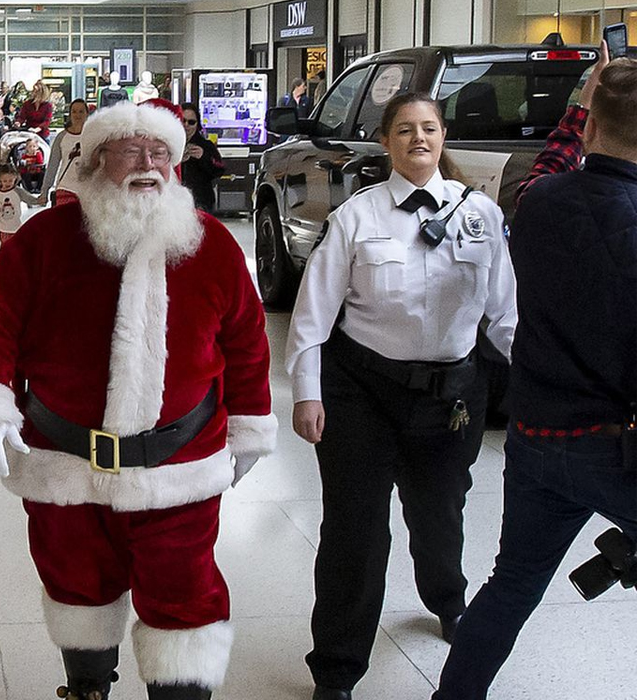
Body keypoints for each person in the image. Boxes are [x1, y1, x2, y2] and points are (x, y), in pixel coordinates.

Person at [0, 101, 276, 700]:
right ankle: (87, 685)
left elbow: (248, 344)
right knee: (77, 584)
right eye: (131, 149)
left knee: (184, 593)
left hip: (179, 466)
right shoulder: (45, 239)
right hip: (64, 462)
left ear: (176, 164)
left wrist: (251, 425)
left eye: (160, 153)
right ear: (99, 158)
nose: (146, 164)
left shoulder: (214, 247)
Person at [283, 92, 517, 700]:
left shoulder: (481, 217)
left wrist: (551, 382)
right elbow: (312, 317)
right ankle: (336, 670)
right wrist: (307, 392)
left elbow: (504, 318)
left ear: (444, 139)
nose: (419, 139)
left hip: (451, 395)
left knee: (440, 514)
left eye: (430, 128)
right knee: (354, 533)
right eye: (406, 130)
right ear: (386, 142)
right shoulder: (357, 217)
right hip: (362, 389)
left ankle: (448, 599)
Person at [433, 51, 637, 700]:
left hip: (537, 439)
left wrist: (584, 95)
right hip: (618, 448)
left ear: (591, 129)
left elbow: (550, 163)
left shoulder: (540, 202)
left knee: (512, 583)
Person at [39, 98, 90, 207]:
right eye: (74, 111)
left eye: (81, 111)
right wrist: (45, 190)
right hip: (65, 187)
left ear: (87, 113)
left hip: (88, 190)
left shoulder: (93, 136)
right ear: (70, 114)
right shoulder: (62, 137)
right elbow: (53, 165)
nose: (78, 115)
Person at [179, 103, 225, 213]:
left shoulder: (205, 145)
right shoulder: (167, 144)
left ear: (197, 124)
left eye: (191, 122)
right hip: (174, 200)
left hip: (201, 201)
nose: (186, 125)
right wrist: (178, 162)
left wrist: (204, 157)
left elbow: (219, 170)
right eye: (183, 120)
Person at [0, 164, 40, 245]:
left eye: (10, 180)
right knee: (5, 247)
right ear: (0, 180)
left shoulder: (18, 191)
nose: (7, 183)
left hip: (15, 227)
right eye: (4, 181)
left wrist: (38, 201)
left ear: (15, 179)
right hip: (2, 227)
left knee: (15, 246)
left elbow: (28, 198)